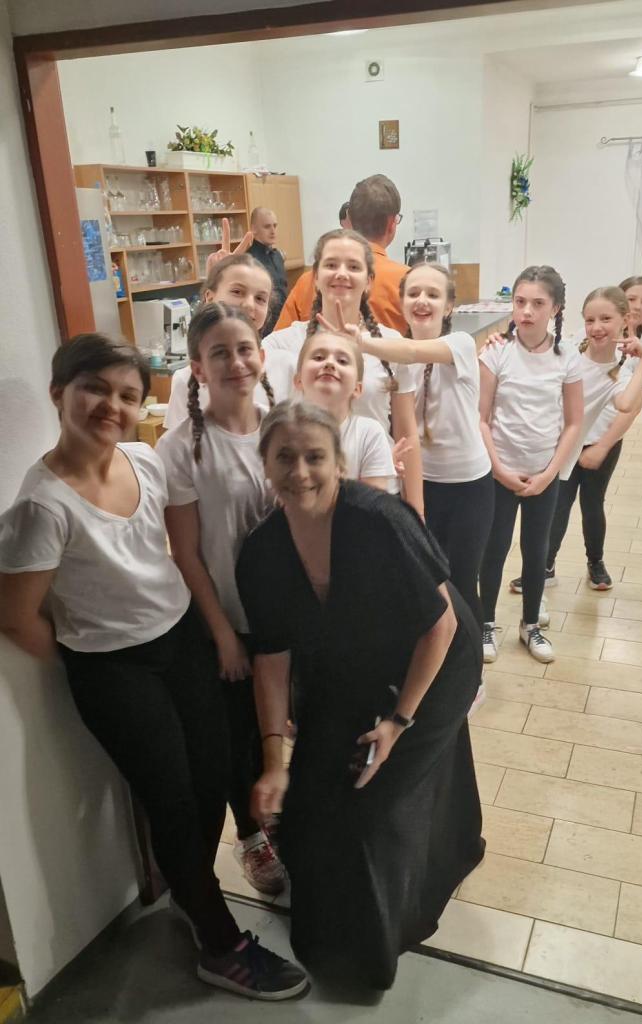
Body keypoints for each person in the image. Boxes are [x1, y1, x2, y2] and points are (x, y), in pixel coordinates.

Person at [0, 334, 307, 1002]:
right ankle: (220, 944)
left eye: (127, 395)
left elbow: (171, 547)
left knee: (212, 776)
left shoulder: (142, 458)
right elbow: (17, 617)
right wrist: (88, 651)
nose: (110, 406)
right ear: (59, 393)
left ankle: (194, 895)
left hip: (182, 639)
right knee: (171, 799)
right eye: (94, 388)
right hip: (115, 671)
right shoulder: (41, 505)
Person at [235, 400, 485, 990]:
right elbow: (271, 659)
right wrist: (274, 762)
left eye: (315, 457)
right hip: (352, 663)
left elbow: (440, 626)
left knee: (372, 800)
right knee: (307, 803)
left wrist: (399, 721)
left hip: (437, 658)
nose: (300, 472)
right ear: (265, 465)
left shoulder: (380, 520)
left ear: (339, 463)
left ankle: (372, 948)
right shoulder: (263, 552)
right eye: (285, 457)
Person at [157, 303, 286, 898]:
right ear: (197, 368)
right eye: (219, 353)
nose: (236, 363)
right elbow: (187, 553)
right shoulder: (182, 447)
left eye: (244, 349)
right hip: (228, 617)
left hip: (284, 614)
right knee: (238, 738)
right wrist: (224, 634)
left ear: (261, 354)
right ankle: (252, 835)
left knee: (280, 726)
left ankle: (281, 815)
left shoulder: (284, 426)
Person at [322, 263, 492, 628]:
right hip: (418, 482)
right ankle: (438, 654)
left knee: (463, 580)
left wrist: (361, 342)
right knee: (427, 580)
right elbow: (391, 421)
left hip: (467, 485)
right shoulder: (392, 354)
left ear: (449, 306)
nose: (422, 301)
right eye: (413, 293)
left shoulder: (459, 344)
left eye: (433, 294)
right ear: (401, 302)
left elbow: (414, 352)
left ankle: (474, 651)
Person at [264, 228, 424, 515]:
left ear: (369, 281)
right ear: (315, 277)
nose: (341, 273)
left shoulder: (390, 345)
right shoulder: (282, 344)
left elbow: (407, 434)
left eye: (353, 266)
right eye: (331, 264)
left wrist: (417, 514)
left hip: (378, 493)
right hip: (306, 497)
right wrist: (222, 300)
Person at [510, 284, 642, 594]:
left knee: (592, 505)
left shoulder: (621, 372)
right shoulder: (569, 351)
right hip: (558, 448)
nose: (596, 327)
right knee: (556, 508)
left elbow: (627, 404)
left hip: (599, 443)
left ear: (625, 320)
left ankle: (595, 562)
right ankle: (543, 568)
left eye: (606, 319)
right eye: (590, 320)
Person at [479, 266, 584, 665]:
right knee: (494, 548)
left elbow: (573, 422)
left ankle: (530, 625)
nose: (526, 311)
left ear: (554, 308)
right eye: (520, 301)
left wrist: (549, 473)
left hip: (544, 473)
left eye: (538, 303)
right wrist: (499, 470)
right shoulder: (496, 352)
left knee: (536, 550)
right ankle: (487, 622)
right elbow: (481, 418)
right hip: (500, 473)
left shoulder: (567, 356)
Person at [164, 253, 295, 431]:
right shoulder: (186, 379)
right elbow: (178, 444)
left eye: (260, 298)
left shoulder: (287, 366)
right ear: (209, 297)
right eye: (237, 292)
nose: (249, 304)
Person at [274, 175, 408, 333]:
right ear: (392, 223)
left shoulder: (306, 282)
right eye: (331, 265)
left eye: (354, 267)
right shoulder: (409, 282)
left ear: (349, 219)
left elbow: (277, 342)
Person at [294, 329, 397, 491]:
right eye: (319, 357)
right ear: (298, 380)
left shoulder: (370, 434)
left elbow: (375, 504)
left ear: (357, 388)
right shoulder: (281, 431)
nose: (329, 363)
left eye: (342, 361)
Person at [249, 207, 288, 333]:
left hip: (284, 323)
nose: (273, 231)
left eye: (275, 226)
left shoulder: (278, 256)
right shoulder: (249, 260)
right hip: (263, 327)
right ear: (254, 229)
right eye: (267, 226)